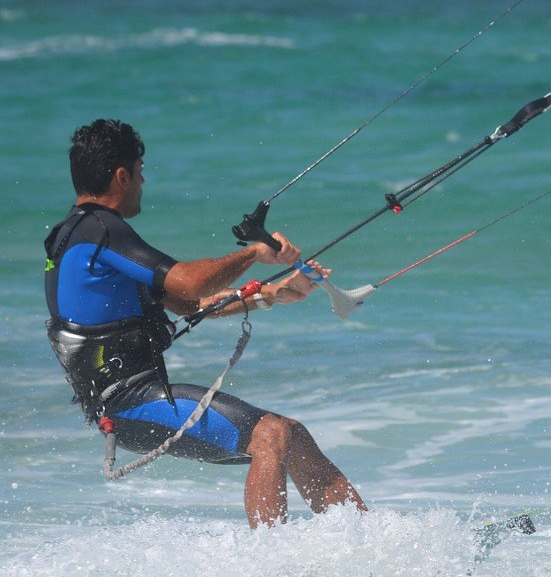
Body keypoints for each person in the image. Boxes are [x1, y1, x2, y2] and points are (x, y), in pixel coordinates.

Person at [44, 119, 367, 527]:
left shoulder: (78, 239)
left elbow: (191, 303)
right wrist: (255, 254)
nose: (143, 183)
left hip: (127, 402)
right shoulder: (102, 232)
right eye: (140, 173)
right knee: (271, 436)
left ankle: (370, 546)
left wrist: (273, 294)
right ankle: (274, 571)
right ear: (122, 176)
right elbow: (191, 279)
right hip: (130, 403)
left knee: (292, 435)